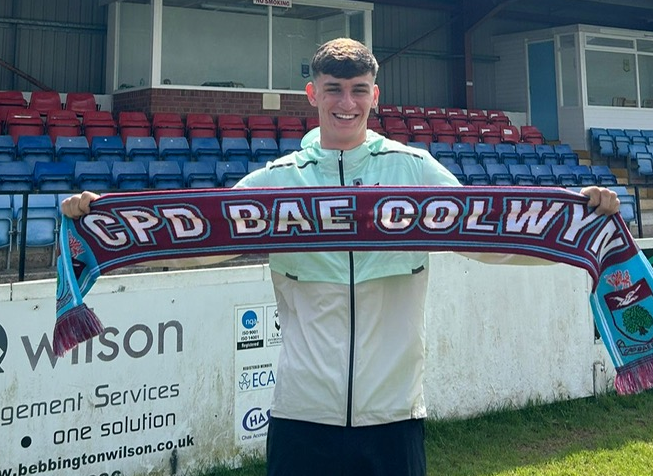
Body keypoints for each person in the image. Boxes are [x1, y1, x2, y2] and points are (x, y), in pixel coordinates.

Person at [62, 38, 620, 476]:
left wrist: (578, 218)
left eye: (357, 89)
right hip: (302, 416)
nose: (346, 103)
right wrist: (100, 221)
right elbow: (203, 245)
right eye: (333, 89)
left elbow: (488, 241)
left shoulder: (416, 171)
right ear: (312, 94)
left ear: (375, 95)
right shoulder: (275, 182)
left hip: (395, 415)